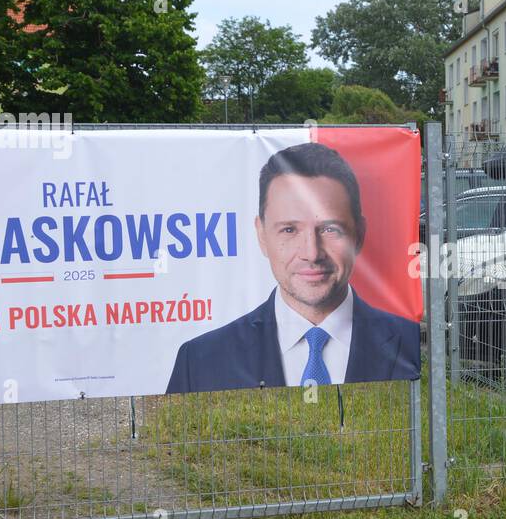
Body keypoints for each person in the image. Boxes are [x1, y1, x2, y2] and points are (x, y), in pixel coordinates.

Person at [165, 142, 420, 392]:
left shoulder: (412, 345)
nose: (312, 253)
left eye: (330, 229)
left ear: (360, 234)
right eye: (289, 229)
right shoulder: (199, 361)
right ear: (262, 235)